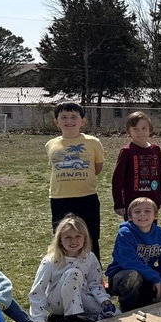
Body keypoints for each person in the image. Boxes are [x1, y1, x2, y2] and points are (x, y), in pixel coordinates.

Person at [29, 214, 115, 322]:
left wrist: (104, 300)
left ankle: (85, 316)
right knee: (73, 273)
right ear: (60, 240)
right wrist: (39, 320)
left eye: (78, 236)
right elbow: (37, 291)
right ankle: (71, 319)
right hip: (57, 303)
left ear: (85, 238)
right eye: (68, 237)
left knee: (114, 314)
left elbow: (95, 283)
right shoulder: (50, 260)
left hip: (80, 296)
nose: (73, 241)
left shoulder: (90, 257)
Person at [46, 101, 105, 259]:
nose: (69, 121)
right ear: (56, 122)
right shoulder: (50, 144)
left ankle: (94, 277)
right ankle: (63, 272)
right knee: (63, 238)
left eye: (74, 117)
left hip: (87, 198)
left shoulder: (93, 142)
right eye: (64, 117)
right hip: (59, 199)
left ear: (83, 121)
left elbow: (97, 168)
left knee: (90, 236)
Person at [105, 198, 161, 312]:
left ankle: (149, 298)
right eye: (137, 212)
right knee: (133, 275)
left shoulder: (160, 233)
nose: (142, 214)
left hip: (146, 274)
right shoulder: (125, 234)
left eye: (147, 211)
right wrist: (156, 278)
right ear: (130, 217)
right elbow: (129, 262)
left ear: (156, 215)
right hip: (122, 275)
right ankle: (129, 307)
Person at [111, 110, 161, 219]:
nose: (140, 132)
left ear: (150, 129)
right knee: (133, 233)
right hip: (132, 204)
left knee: (150, 232)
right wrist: (119, 203)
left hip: (152, 202)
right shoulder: (126, 151)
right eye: (135, 129)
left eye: (144, 128)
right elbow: (117, 180)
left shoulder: (156, 149)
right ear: (128, 131)